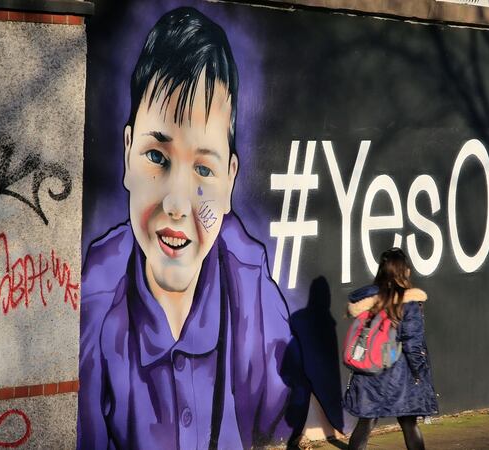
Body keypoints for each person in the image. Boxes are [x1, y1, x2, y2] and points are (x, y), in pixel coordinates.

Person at [78, 7, 307, 449]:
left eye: (203, 169)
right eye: (156, 157)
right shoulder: (98, 305)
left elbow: (289, 414)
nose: (177, 203)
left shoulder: (249, 291)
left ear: (229, 182)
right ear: (127, 154)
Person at [343, 247, 439, 450]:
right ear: (403, 271)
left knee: (366, 423)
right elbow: (413, 342)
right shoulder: (408, 302)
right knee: (409, 424)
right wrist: (420, 374)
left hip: (370, 371)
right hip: (399, 376)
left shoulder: (368, 300)